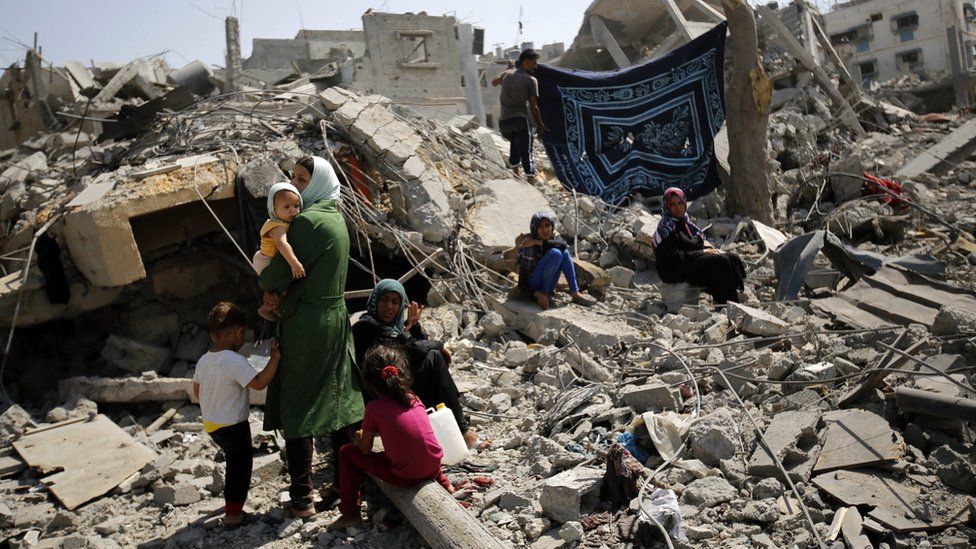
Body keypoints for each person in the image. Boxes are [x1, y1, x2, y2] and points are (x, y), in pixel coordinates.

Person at [259, 154, 363, 518]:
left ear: (318, 181)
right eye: (294, 179)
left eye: (303, 180)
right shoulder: (336, 217)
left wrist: (271, 289)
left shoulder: (306, 223)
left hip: (307, 324)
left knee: (299, 404)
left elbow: (272, 277)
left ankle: (301, 498)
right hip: (335, 317)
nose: (296, 189)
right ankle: (345, 484)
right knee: (337, 402)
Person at [351, 279, 489, 450]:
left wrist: (413, 326)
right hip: (379, 396)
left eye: (395, 302)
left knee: (432, 359)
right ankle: (462, 430)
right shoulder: (367, 325)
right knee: (434, 358)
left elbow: (416, 345)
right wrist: (439, 345)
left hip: (397, 386)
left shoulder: (395, 327)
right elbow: (413, 348)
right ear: (375, 301)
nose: (389, 307)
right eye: (384, 300)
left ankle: (454, 426)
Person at [329, 344, 452, 531]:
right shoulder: (413, 398)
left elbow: (364, 449)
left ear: (369, 382)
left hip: (406, 477)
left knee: (347, 453)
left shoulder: (374, 408)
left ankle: (350, 513)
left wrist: (360, 437)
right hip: (434, 467)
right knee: (420, 447)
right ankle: (446, 484)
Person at [192, 302, 280, 528]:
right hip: (233, 425)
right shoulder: (235, 361)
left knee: (234, 462)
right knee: (240, 467)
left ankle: (231, 505)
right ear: (240, 333)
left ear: (213, 334)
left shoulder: (204, 360)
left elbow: (196, 390)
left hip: (212, 424)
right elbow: (259, 384)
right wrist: (275, 359)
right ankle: (233, 515)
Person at [652, 187, 746, 304]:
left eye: (680, 203)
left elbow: (694, 245)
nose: (678, 207)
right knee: (720, 261)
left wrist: (708, 250)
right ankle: (725, 304)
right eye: (673, 204)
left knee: (732, 258)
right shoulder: (666, 228)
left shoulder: (685, 222)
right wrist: (702, 253)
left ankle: (731, 298)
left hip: (689, 262)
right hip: (675, 270)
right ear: (667, 206)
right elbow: (675, 257)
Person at [516, 211, 596, 310]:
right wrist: (538, 294)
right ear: (535, 229)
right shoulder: (528, 246)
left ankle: (575, 292)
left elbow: (563, 245)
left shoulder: (554, 237)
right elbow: (522, 285)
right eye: (540, 226)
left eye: (547, 225)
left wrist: (537, 242)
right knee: (556, 253)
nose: (545, 229)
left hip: (549, 285)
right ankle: (544, 294)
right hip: (534, 287)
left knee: (564, 252)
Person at [253, 182, 305, 321]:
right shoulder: (277, 225)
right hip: (266, 261)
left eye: (296, 206)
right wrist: (294, 263)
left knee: (277, 292)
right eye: (286, 207)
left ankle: (273, 309)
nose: (293, 211)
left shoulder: (283, 222)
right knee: (285, 287)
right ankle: (267, 309)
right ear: (274, 209)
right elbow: (282, 244)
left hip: (266, 258)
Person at [498, 49, 546, 182]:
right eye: (533, 63)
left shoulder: (507, 74)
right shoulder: (531, 80)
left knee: (515, 144)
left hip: (504, 123)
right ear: (525, 62)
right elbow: (533, 106)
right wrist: (540, 124)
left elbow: (494, 82)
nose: (535, 67)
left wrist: (507, 69)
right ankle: (531, 183)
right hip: (520, 120)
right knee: (527, 151)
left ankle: (516, 176)